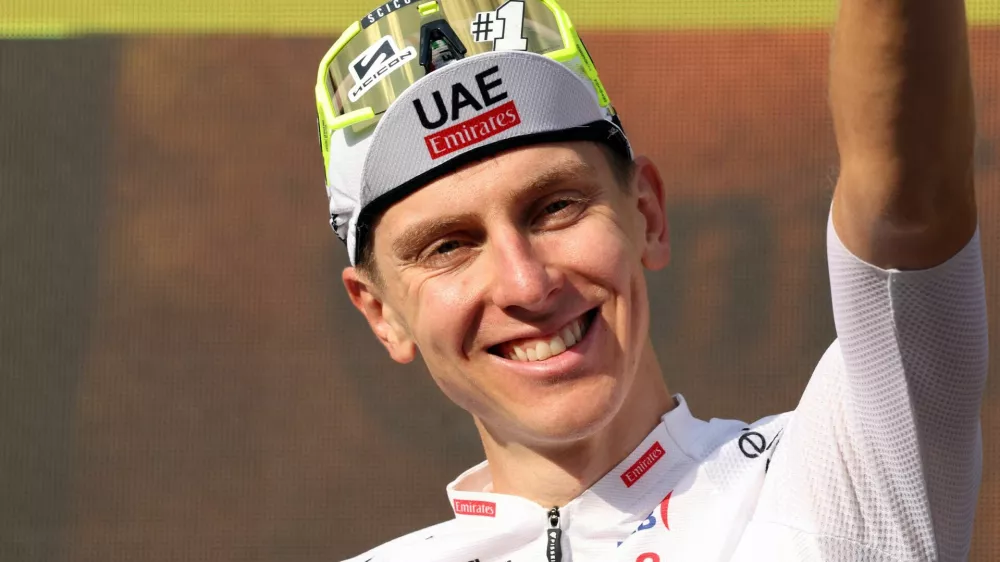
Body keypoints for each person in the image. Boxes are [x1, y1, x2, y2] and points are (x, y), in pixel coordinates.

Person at [314, 0, 987, 559]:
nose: (526, 284)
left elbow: (911, 200)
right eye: (449, 247)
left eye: (554, 207)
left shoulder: (834, 480)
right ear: (380, 313)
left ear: (648, 215)